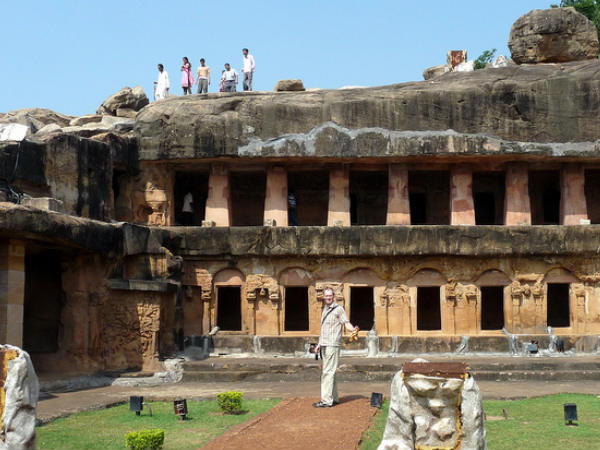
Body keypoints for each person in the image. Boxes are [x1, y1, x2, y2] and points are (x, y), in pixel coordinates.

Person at [313, 287, 359, 408]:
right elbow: (324, 329)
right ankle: (333, 398)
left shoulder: (339, 309)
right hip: (325, 343)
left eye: (330, 296)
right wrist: (319, 344)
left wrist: (353, 329)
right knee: (330, 372)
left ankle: (326, 400)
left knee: (327, 372)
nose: (328, 298)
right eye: (326, 296)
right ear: (323, 297)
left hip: (333, 344)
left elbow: (346, 323)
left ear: (333, 297)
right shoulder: (325, 309)